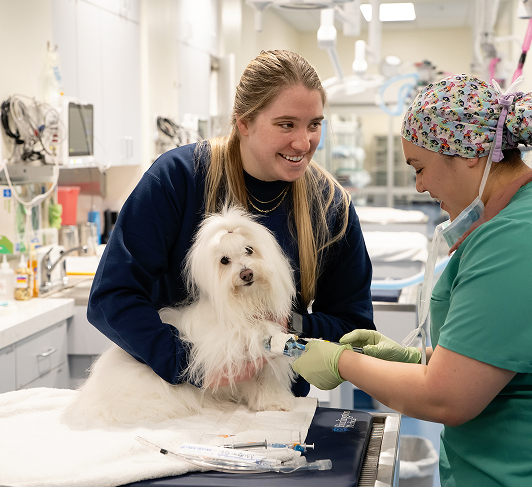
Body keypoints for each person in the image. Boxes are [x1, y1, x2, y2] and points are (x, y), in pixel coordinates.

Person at [88, 49, 375, 397]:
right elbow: (111, 297)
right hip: (179, 397)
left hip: (270, 402)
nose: (304, 142)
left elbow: (354, 329)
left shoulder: (330, 206)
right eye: (286, 124)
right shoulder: (178, 179)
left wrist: (289, 325)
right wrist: (189, 362)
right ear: (244, 123)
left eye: (314, 124)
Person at [293, 74, 532, 486]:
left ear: (470, 154)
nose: (420, 186)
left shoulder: (513, 239)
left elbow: (447, 398)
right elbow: (492, 360)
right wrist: (410, 359)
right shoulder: (504, 225)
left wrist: (342, 362)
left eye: (421, 168)